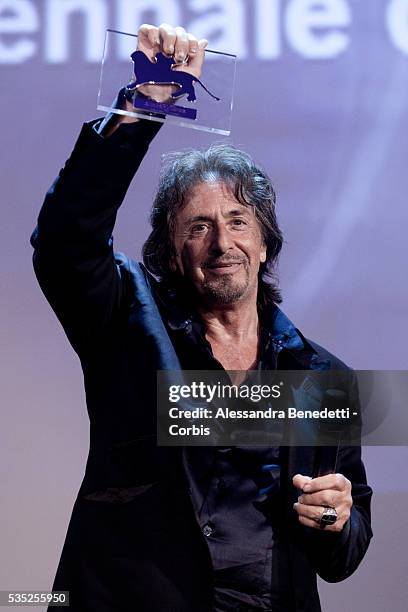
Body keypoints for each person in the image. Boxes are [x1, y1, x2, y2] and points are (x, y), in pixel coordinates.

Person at [31, 23, 372, 612]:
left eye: (239, 222)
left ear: (266, 243)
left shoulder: (322, 376)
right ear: (171, 250)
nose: (222, 243)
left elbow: (343, 553)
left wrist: (339, 521)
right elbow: (65, 241)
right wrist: (144, 106)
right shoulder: (127, 320)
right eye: (199, 226)